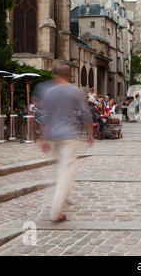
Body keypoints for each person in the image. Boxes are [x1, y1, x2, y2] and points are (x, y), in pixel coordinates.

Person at [40, 61, 93, 223]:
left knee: (61, 170)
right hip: (68, 136)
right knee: (66, 172)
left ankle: (64, 195)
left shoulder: (50, 92)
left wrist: (43, 137)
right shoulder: (74, 90)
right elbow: (85, 113)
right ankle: (56, 212)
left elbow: (45, 117)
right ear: (69, 75)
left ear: (55, 74)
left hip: (53, 136)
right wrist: (90, 133)